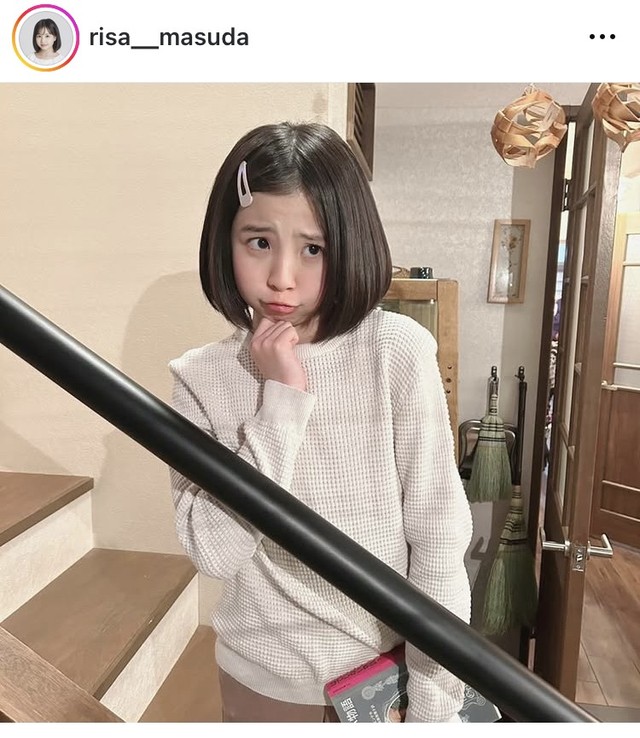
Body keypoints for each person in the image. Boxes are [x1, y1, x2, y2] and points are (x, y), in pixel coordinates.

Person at [168, 122, 473, 723]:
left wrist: (435, 706)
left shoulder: (396, 351)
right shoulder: (200, 377)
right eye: (259, 241)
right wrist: (281, 400)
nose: (282, 276)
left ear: (350, 245)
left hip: (389, 679)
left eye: (314, 249)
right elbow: (214, 552)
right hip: (264, 682)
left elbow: (437, 536)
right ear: (225, 239)